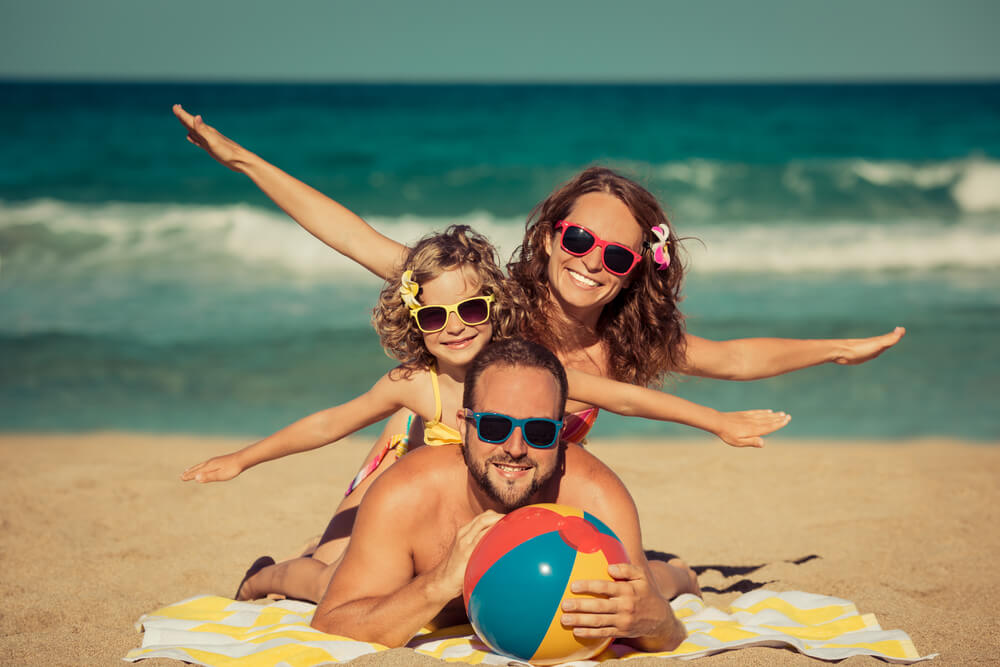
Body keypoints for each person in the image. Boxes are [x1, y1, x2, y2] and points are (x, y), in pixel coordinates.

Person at [181, 225, 788, 603]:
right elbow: (328, 423)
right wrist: (242, 458)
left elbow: (623, 396)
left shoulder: (520, 378)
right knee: (330, 579)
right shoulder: (415, 385)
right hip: (414, 500)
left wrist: (716, 421)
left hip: (497, 498)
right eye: (435, 316)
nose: (454, 328)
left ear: (494, 307)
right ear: (415, 321)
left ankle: (675, 572)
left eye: (470, 311)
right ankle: (266, 575)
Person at [172, 104, 904, 409]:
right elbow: (357, 236)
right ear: (553, 233)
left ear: (637, 269)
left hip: (537, 491)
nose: (591, 262)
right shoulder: (490, 297)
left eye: (616, 255)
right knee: (320, 575)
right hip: (430, 465)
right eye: (579, 239)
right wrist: (240, 160)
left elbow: (738, 360)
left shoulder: (628, 339)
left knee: (664, 577)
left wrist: (839, 347)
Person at [310, 338, 693, 652]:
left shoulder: (595, 496)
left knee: (658, 581)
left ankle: (681, 575)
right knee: (314, 577)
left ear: (560, 434)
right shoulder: (407, 494)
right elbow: (333, 621)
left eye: (539, 431)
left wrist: (657, 622)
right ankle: (266, 577)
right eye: (494, 426)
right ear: (464, 426)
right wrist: (439, 581)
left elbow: (663, 627)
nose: (514, 447)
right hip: (396, 569)